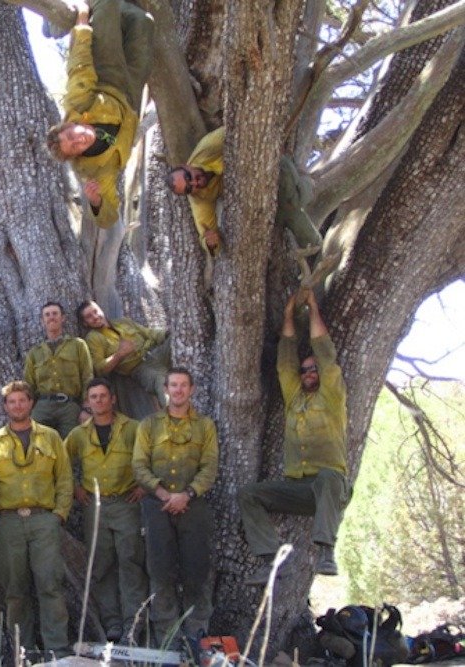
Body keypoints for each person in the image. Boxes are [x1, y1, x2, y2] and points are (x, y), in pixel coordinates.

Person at [239, 291, 350, 585]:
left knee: (328, 477)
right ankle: (272, 561)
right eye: (304, 370)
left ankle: (326, 552)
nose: (309, 372)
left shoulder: (332, 397)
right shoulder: (295, 398)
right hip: (299, 488)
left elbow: (326, 354)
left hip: (330, 488)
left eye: (313, 369)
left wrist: (312, 307)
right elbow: (286, 361)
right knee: (249, 494)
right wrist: (289, 313)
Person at [0, 381, 73, 659]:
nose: (18, 406)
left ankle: (57, 650)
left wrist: (58, 515)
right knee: (15, 590)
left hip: (44, 520)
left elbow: (64, 479)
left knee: (50, 586)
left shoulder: (51, 437)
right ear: (5, 406)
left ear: (31, 403)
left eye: (22, 400)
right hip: (8, 523)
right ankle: (24, 651)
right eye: (12, 401)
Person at [45, 0, 154, 228]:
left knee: (107, 3)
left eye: (72, 135)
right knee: (143, 22)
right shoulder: (94, 169)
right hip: (130, 98)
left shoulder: (78, 104)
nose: (79, 140)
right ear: (77, 155)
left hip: (106, 76)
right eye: (75, 147)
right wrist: (96, 202)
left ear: (70, 124)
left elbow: (80, 66)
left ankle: (55, 24)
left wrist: (82, 22)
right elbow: (108, 219)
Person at [132, 368, 218, 642]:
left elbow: (209, 467)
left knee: (197, 569)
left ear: (191, 389)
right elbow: (139, 465)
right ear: (166, 389)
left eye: (183, 385)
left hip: (193, 506)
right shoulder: (149, 425)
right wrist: (162, 494)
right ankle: (166, 635)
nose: (178, 390)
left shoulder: (204, 426)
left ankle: (197, 632)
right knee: (159, 570)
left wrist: (187, 495)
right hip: (156, 506)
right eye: (173, 385)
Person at [64, 378, 147, 644]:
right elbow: (61, 464)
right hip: (95, 506)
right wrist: (76, 487)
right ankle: (112, 623)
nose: (98, 401)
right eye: (93, 397)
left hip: (126, 503)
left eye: (103, 396)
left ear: (112, 399)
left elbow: (151, 458)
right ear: (88, 402)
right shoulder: (79, 434)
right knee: (101, 565)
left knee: (130, 562)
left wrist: (144, 487)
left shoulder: (132, 428)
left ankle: (133, 623)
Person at [166, 126, 322, 255]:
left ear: (186, 166)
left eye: (188, 177)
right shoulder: (199, 198)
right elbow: (206, 234)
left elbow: (242, 127)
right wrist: (211, 243)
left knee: (293, 200)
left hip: (273, 164)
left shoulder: (207, 148)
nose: (194, 182)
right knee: (284, 214)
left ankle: (309, 183)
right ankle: (316, 247)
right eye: (189, 188)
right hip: (262, 189)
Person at [78, 299, 169, 414]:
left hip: (155, 352)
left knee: (178, 339)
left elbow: (149, 333)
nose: (95, 317)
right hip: (140, 367)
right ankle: (176, 417)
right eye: (89, 316)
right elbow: (99, 368)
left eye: (95, 311)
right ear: (85, 323)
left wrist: (168, 333)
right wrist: (119, 354)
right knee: (162, 382)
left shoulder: (123, 322)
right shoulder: (93, 338)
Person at [24, 301, 93, 438]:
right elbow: (28, 384)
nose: (51, 317)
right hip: (43, 406)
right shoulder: (34, 352)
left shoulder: (78, 345)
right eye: (47, 315)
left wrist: (87, 407)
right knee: (37, 442)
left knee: (72, 444)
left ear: (63, 318)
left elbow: (87, 376)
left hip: (70, 406)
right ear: (42, 321)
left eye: (55, 313)